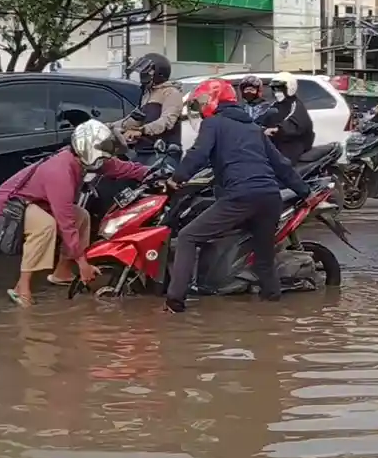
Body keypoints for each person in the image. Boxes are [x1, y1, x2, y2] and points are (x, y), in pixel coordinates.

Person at [164, 79, 310, 314]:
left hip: (240, 196)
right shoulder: (254, 128)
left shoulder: (213, 123)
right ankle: (274, 316)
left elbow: (199, 153)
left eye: (202, 102)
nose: (200, 107)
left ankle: (174, 302)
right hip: (270, 198)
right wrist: (304, 191)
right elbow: (281, 165)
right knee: (264, 260)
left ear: (214, 100)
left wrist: (177, 178)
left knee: (187, 237)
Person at [0, 120, 149, 306]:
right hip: (13, 204)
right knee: (45, 226)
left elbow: (121, 168)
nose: (106, 160)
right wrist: (82, 263)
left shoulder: (83, 158)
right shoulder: (60, 172)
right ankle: (21, 287)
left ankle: (62, 272)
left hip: (38, 200)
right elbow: (65, 223)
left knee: (82, 217)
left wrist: (151, 172)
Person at [115, 53, 182, 167]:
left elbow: (166, 121)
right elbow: (135, 119)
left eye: (146, 72)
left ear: (158, 73)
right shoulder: (147, 94)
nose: (142, 75)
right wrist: (107, 126)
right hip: (143, 152)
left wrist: (141, 130)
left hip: (162, 153)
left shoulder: (171, 93)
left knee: (151, 177)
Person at [261, 72, 315, 164]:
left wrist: (278, 129)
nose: (277, 92)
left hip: (294, 144)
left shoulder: (296, 105)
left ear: (290, 88)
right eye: (275, 89)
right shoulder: (275, 105)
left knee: (281, 163)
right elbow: (265, 117)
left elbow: (296, 123)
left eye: (280, 89)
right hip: (277, 142)